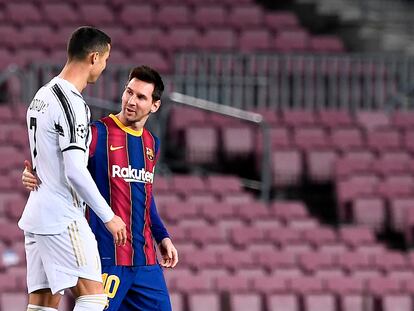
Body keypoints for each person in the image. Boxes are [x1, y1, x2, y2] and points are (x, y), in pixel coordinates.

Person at [22, 65, 178, 311]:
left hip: (146, 262)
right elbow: (62, 164)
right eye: (129, 92)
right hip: (107, 258)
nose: (131, 101)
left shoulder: (152, 144)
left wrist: (163, 236)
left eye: (140, 97)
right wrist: (33, 173)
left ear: (155, 105)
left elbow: (145, 195)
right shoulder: (96, 134)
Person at [18, 26, 127, 311]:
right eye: (105, 60)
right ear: (93, 57)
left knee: (42, 303)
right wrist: (109, 217)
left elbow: (41, 161)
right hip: (61, 216)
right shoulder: (72, 104)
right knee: (94, 297)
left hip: (37, 215)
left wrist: (30, 174)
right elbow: (75, 171)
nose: (104, 66)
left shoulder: (41, 95)